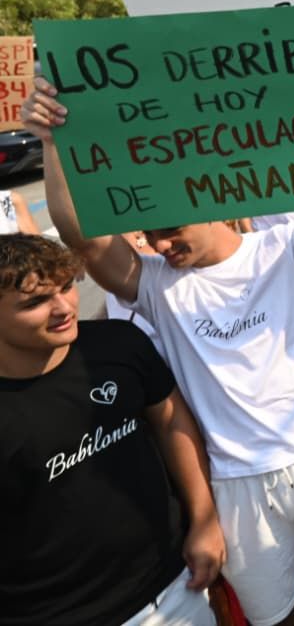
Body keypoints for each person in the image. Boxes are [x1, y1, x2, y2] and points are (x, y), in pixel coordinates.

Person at [22, 72, 294, 626]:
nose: (162, 244)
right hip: (237, 485)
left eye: (171, 229)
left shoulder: (282, 250)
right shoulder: (156, 284)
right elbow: (82, 238)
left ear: (210, 199)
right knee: (275, 621)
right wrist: (52, 143)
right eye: (152, 234)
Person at [0, 233, 224, 626]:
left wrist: (204, 521)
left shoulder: (118, 344)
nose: (63, 307)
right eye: (35, 302)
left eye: (67, 287)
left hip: (175, 587)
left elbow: (171, 420)